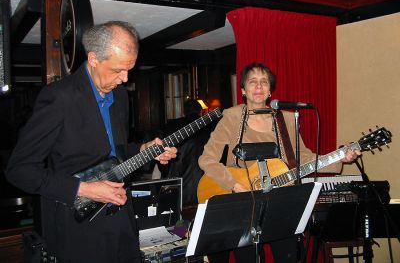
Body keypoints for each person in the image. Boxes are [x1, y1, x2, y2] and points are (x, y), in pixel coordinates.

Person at [5, 21, 177, 263]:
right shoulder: (59, 98)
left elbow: (114, 152)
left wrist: (144, 149)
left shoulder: (119, 96)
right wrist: (85, 189)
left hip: (121, 218)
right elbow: (19, 170)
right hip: (77, 227)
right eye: (118, 70)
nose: (125, 79)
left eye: (129, 69)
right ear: (94, 59)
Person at [198, 62, 360, 263]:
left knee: (288, 256)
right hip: (243, 204)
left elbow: (305, 158)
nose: (259, 87)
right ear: (243, 90)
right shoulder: (232, 117)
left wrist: (339, 157)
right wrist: (233, 184)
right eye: (253, 82)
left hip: (280, 201)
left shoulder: (287, 119)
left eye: (264, 82)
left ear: (270, 91)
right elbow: (206, 159)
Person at [161, 99, 216, 211]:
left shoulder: (172, 125)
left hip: (179, 187)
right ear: (200, 112)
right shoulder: (211, 125)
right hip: (207, 185)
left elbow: (164, 161)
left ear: (183, 112)